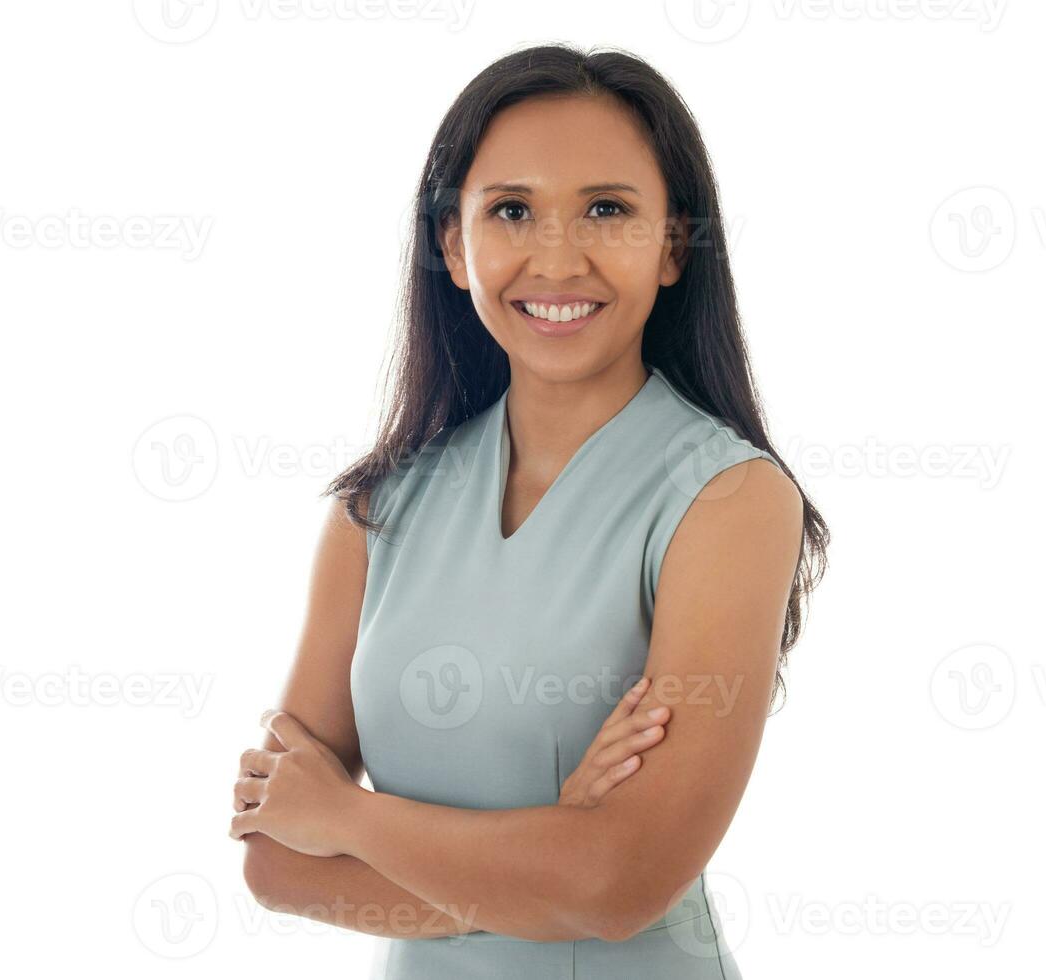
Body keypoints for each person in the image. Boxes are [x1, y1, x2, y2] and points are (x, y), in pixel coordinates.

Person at [230, 42, 829, 978]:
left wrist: (346, 817)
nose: (558, 257)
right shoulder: (375, 512)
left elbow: (619, 887)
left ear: (673, 246)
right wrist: (553, 855)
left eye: (607, 209)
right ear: (453, 247)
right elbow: (275, 863)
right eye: (511, 210)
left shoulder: (731, 499)